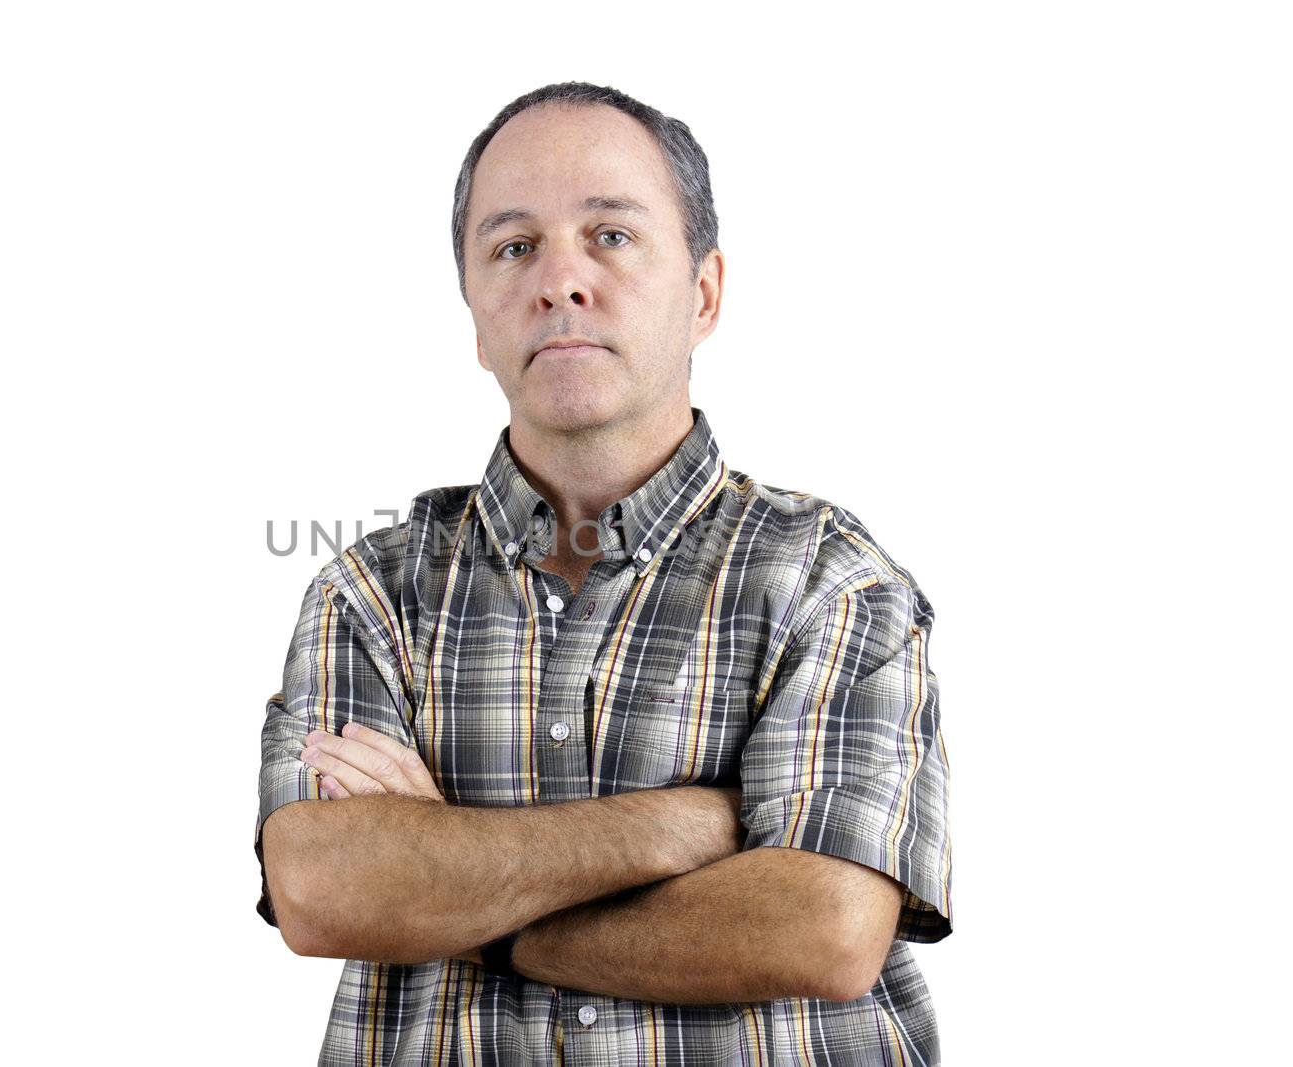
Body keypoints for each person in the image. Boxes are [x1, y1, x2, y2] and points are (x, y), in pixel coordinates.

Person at [253, 81, 953, 1065]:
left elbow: (822, 928)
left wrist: (464, 896)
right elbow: (325, 889)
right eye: (513, 245)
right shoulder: (370, 594)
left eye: (611, 236)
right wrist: (683, 826)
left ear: (704, 292)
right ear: (475, 313)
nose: (560, 281)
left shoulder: (831, 583)